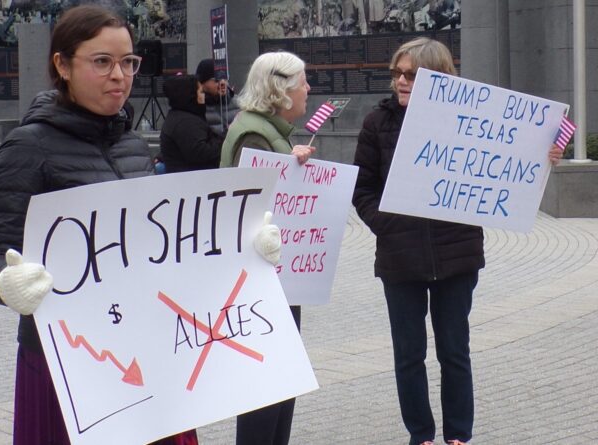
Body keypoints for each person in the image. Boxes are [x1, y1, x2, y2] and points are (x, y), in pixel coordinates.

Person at [0, 5, 278, 444]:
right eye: (102, 62)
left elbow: (165, 250)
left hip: (146, 349)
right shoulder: (25, 148)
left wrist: (246, 252)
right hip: (71, 364)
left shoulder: (133, 144)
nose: (119, 75)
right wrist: (6, 281)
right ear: (62, 65)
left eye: (128, 62)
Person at [352, 36, 563, 445]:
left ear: (437, 76)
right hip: (400, 259)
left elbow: (511, 160)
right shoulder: (377, 123)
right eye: (397, 73)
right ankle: (421, 434)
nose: (400, 81)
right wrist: (387, 224)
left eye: (411, 74)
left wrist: (546, 154)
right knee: (409, 355)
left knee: (454, 351)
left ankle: (458, 436)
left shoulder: (466, 120)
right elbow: (363, 190)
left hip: (457, 256)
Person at [219, 51, 315, 445]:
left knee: (282, 379)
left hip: (274, 278)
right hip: (261, 282)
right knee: (267, 384)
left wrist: (290, 163)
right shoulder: (254, 136)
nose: (308, 89)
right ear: (281, 90)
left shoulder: (266, 132)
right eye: (302, 82)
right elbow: (249, 210)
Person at [160, 74, 223, 172]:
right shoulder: (185, 122)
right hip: (191, 182)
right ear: (190, 96)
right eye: (201, 92)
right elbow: (201, 153)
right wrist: (225, 139)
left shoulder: (184, 117)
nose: (203, 96)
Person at [195, 58, 238, 135]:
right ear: (201, 83)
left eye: (225, 78)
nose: (223, 83)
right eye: (216, 80)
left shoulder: (239, 103)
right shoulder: (195, 108)